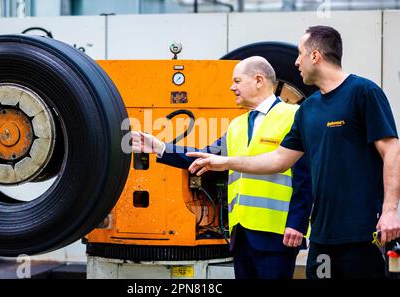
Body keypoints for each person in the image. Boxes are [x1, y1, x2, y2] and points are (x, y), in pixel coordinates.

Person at [186, 26, 400, 279]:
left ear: (315, 56)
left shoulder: (364, 93)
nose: (296, 61)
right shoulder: (308, 109)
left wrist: (390, 211)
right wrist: (225, 162)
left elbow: (392, 151)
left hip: (362, 233)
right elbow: (278, 159)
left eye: (300, 54)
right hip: (322, 236)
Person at [132, 56, 313, 279]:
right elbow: (205, 157)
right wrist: (160, 148)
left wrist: (297, 223)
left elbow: (306, 176)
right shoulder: (237, 125)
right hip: (241, 235)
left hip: (277, 233)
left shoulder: (293, 116)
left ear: (258, 80)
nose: (231, 87)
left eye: (237, 81)